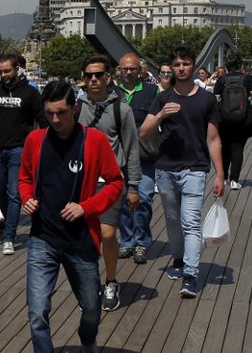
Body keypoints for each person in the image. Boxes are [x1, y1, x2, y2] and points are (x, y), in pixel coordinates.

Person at [18, 80, 123, 353]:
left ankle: (88, 341)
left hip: (80, 241)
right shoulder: (35, 140)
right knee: (37, 312)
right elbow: (23, 178)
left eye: (61, 112)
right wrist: (27, 198)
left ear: (74, 108)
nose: (56, 120)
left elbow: (116, 182)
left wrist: (86, 207)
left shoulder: (94, 140)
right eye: (50, 113)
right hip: (43, 239)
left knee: (91, 308)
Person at [140, 46, 224, 299]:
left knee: (190, 222)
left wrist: (220, 174)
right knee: (173, 220)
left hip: (195, 169)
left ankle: (190, 274)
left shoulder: (207, 100)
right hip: (165, 169)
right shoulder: (163, 98)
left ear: (193, 66)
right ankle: (178, 258)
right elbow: (144, 132)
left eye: (186, 63)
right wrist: (160, 117)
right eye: (177, 64)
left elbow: (213, 139)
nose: (181, 68)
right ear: (172, 68)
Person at [76, 55, 140, 312]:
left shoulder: (121, 109)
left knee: (108, 234)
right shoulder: (76, 108)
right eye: (89, 75)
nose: (94, 80)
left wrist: (133, 186)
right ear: (83, 78)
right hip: (81, 181)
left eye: (99, 75)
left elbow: (132, 148)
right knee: (85, 237)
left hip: (110, 182)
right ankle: (90, 282)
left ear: (108, 77)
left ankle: (111, 281)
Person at [0, 54, 46, 256]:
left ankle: (9, 236)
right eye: (1, 71)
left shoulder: (30, 93)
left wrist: (42, 147)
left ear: (17, 69)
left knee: (14, 192)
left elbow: (43, 121)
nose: (3, 75)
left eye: (7, 71)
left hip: (20, 149)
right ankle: (11, 223)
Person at [116, 53, 160, 266]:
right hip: (120, 157)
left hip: (145, 156)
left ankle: (141, 240)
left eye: (133, 68)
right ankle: (126, 240)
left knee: (143, 198)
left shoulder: (152, 92)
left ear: (140, 70)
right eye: (125, 68)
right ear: (119, 71)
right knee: (124, 200)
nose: (129, 72)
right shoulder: (113, 93)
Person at [213, 56, 252, 190]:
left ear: (227, 66)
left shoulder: (222, 80)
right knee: (238, 148)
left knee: (225, 147)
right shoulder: (247, 78)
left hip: (225, 119)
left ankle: (225, 177)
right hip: (242, 118)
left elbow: (216, 99)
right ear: (240, 65)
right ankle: (235, 180)